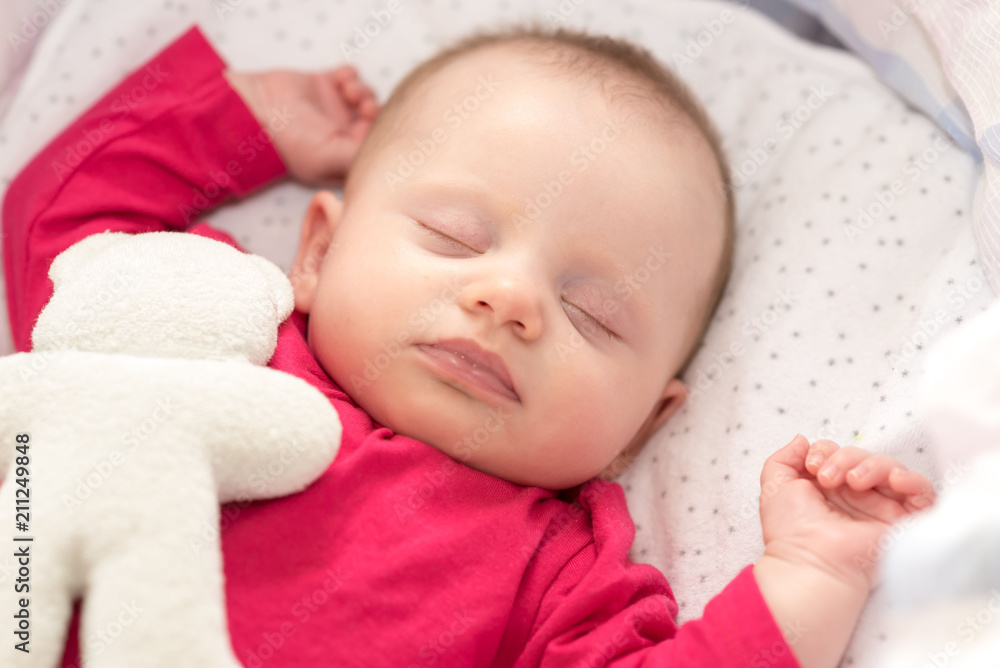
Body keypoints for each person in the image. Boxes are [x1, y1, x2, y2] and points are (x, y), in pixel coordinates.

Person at [2, 22, 934, 668]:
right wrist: (248, 119)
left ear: (642, 427)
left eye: (593, 316)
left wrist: (814, 575)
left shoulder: (549, 578)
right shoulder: (211, 323)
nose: (510, 299)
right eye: (454, 237)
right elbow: (67, 216)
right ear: (317, 253)